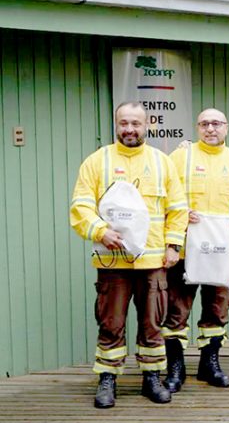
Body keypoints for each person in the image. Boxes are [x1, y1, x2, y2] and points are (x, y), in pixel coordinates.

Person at [70, 102, 188, 408]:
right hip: (113, 261)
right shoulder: (97, 161)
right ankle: (108, 378)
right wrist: (99, 231)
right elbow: (80, 206)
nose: (129, 129)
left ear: (147, 125)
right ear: (116, 124)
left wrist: (174, 246)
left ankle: (152, 377)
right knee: (111, 321)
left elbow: (177, 208)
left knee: (153, 323)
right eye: (124, 123)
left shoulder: (162, 163)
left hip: (153, 262)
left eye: (136, 123)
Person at [161, 108, 229, 392]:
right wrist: (180, 212)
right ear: (197, 127)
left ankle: (209, 363)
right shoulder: (181, 156)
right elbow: (165, 197)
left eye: (216, 123)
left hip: (219, 253)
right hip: (185, 251)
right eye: (204, 124)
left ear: (226, 127)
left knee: (217, 310)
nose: (210, 128)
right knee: (176, 310)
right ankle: (176, 366)